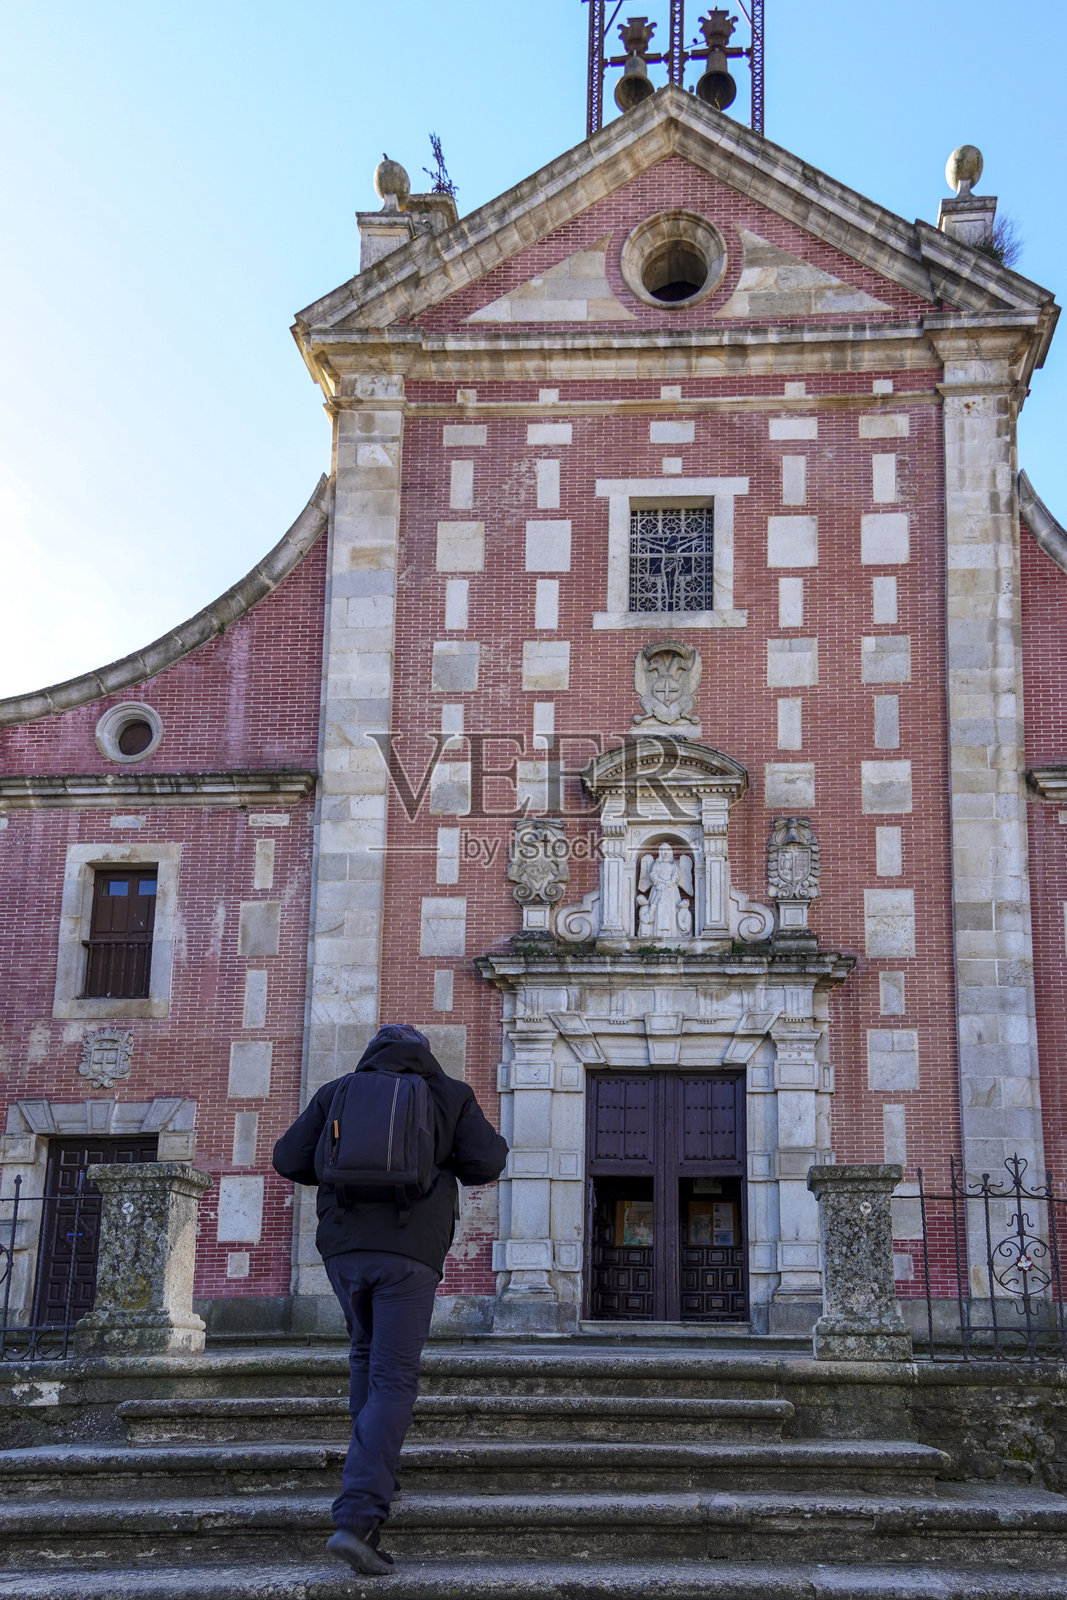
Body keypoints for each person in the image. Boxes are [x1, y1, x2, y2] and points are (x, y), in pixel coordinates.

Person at [272, 1022, 508, 1576]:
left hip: (345, 1251)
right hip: (411, 1253)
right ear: (423, 1054)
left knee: (364, 1355)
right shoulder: (448, 1093)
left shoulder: (339, 1091)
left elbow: (287, 1160)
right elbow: (488, 1163)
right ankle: (359, 1517)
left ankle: (374, 1471)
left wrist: (343, 1168)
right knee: (394, 1378)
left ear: (373, 1052)